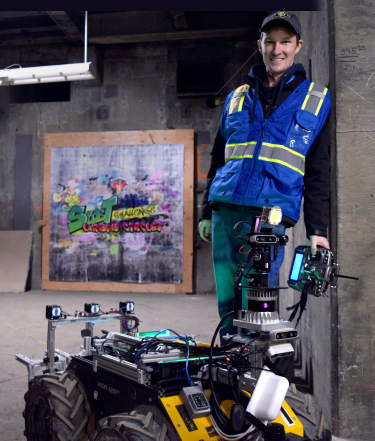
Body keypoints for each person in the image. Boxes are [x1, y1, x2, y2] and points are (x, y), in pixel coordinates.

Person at [198, 11, 331, 338]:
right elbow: (218, 158)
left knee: (259, 302)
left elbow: (318, 171)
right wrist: (205, 210)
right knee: (228, 306)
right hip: (225, 210)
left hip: (269, 217)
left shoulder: (316, 100)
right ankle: (228, 366)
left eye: (285, 42)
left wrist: (318, 230)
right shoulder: (237, 97)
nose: (277, 50)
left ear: (298, 45)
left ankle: (252, 372)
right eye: (270, 42)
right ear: (260, 45)